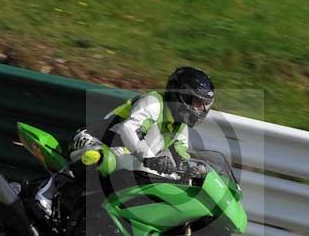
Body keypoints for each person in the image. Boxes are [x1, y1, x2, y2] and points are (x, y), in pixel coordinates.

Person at [35, 66, 215, 217]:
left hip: (127, 156)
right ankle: (47, 193)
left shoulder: (179, 127)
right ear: (180, 94)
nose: (200, 109)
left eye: (203, 104)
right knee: (103, 158)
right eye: (197, 102)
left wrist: (191, 170)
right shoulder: (154, 103)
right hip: (93, 141)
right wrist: (151, 159)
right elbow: (128, 130)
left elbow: (180, 155)